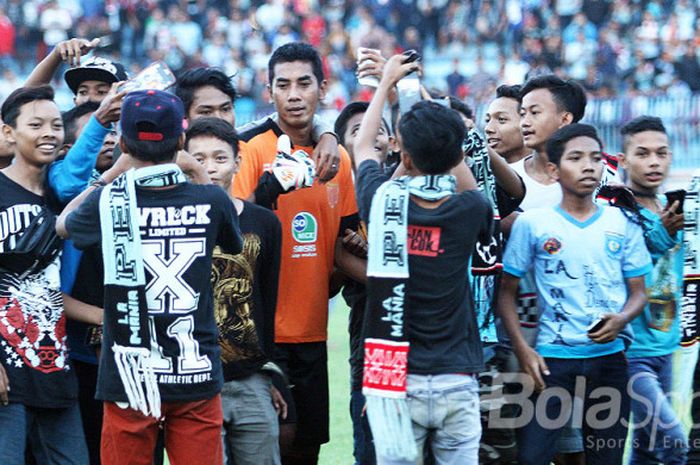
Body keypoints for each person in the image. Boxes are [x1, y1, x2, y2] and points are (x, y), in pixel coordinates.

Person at [57, 89, 243, 465]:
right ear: (180, 140)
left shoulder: (108, 200)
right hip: (195, 371)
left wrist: (109, 174)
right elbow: (231, 238)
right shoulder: (212, 200)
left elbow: (63, 226)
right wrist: (193, 168)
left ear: (123, 142)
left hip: (129, 373)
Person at [355, 53, 491, 465]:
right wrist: (419, 97)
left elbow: (362, 145)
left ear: (404, 156)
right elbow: (459, 167)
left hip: (395, 381)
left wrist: (384, 87)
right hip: (456, 379)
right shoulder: (471, 210)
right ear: (454, 155)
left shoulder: (380, 202)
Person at [232, 42, 360, 465]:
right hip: (261, 332)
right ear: (268, 92)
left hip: (312, 329)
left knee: (308, 446)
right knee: (271, 446)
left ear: (322, 88)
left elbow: (344, 244)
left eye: (304, 83)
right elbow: (231, 232)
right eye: (282, 84)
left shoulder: (337, 156)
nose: (293, 94)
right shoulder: (249, 149)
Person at [499, 123, 652, 465]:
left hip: (609, 361)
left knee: (605, 459)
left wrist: (622, 317)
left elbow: (639, 293)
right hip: (551, 362)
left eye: (595, 158)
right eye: (576, 158)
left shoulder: (621, 222)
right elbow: (506, 292)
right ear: (554, 170)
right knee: (533, 457)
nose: (588, 166)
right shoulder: (533, 224)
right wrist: (524, 349)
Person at [185, 117, 286, 465]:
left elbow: (268, 302)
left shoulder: (264, 223)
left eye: (219, 158)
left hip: (251, 379)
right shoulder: (173, 220)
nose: (209, 168)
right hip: (193, 379)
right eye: (198, 158)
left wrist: (270, 374)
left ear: (238, 163)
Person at [0, 86, 89, 464]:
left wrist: (106, 316)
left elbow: (43, 288)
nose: (49, 133)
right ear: (8, 133)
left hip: (54, 372)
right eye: (35, 124)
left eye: (55, 124)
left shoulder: (58, 196)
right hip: (6, 377)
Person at [615, 116, 687, 465]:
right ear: (624, 160)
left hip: (666, 344)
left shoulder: (670, 210)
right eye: (642, 154)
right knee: (675, 441)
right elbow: (625, 268)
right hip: (633, 350)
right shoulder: (618, 213)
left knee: (645, 450)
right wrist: (661, 234)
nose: (655, 161)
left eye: (662, 153)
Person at [333, 100, 395, 465]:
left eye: (377, 129)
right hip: (369, 339)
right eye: (357, 131)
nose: (370, 137)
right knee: (370, 447)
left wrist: (369, 253)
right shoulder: (339, 199)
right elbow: (340, 263)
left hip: (423, 341)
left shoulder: (409, 188)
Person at [175, 66, 342, 184]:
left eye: (225, 109)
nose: (218, 119)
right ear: (184, 115)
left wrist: (327, 135)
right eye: (206, 112)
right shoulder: (171, 161)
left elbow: (281, 119)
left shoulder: (244, 140)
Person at [484, 84, 530, 164]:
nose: (488, 129)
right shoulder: (481, 174)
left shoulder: (555, 172)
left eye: (501, 119)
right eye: (487, 120)